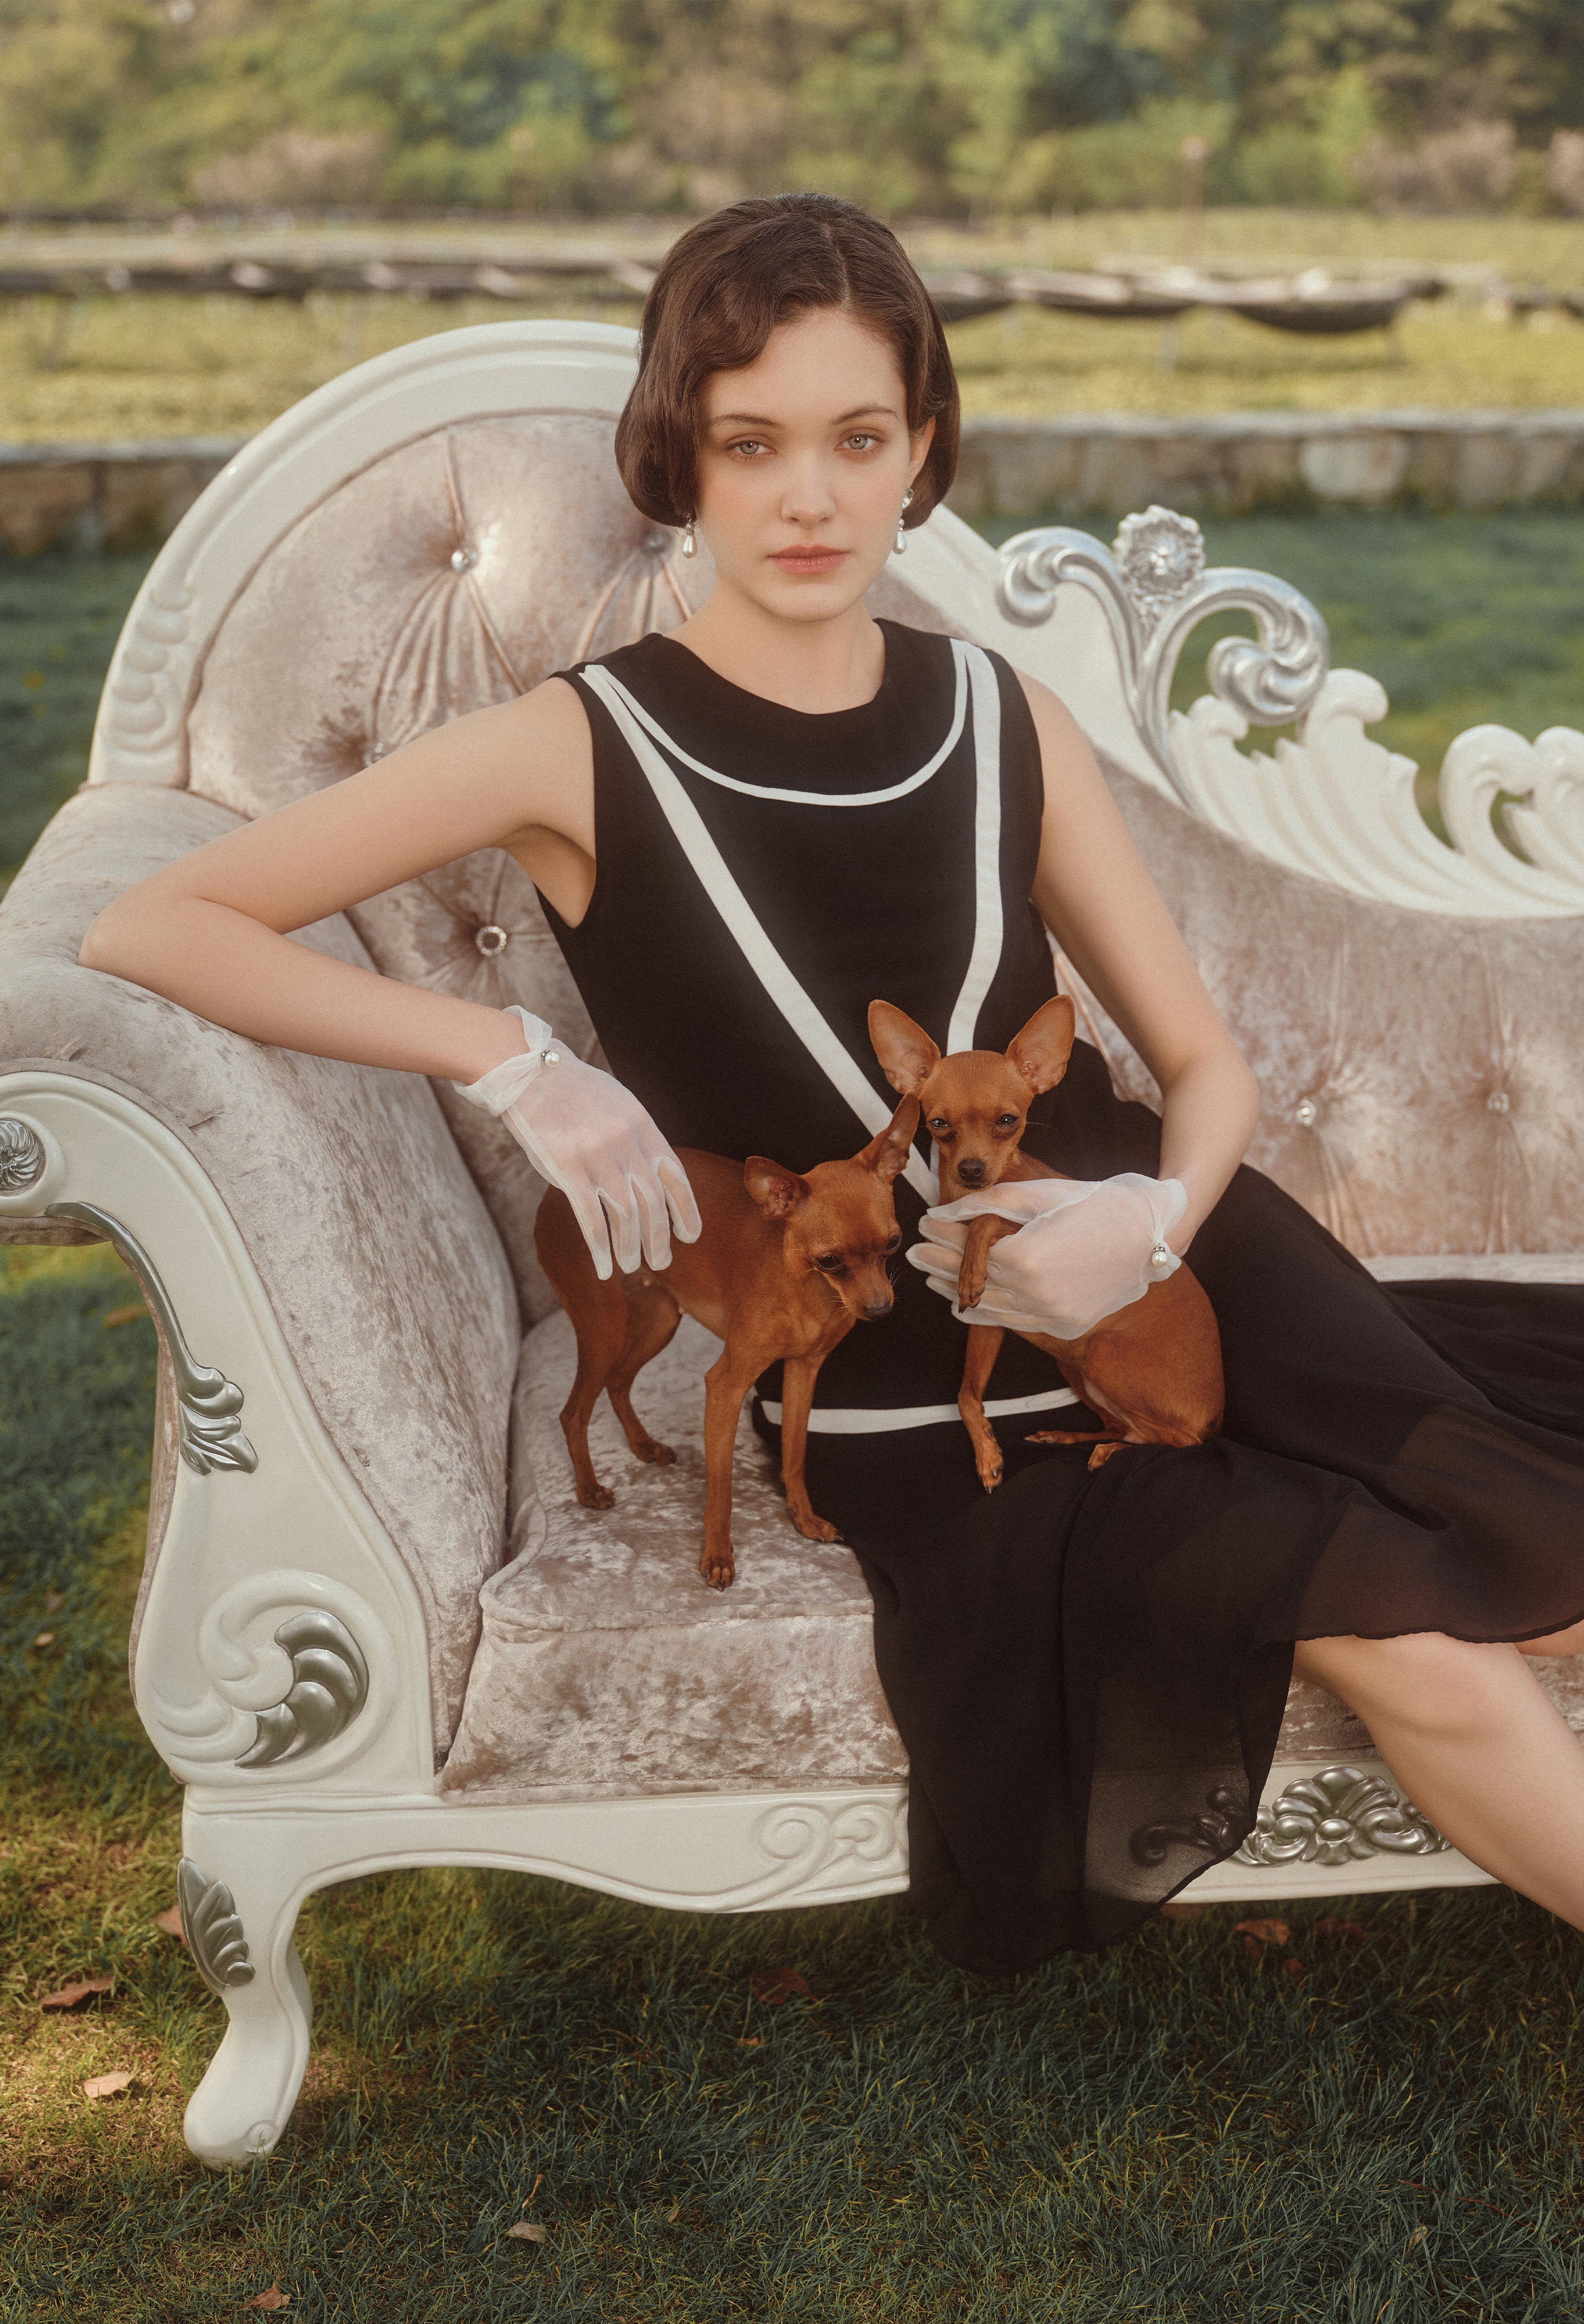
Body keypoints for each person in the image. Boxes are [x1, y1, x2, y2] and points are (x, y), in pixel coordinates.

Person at [80, 194, 1584, 1974]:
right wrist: (518, 1058)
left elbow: (1202, 1066)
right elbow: (159, 922)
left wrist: (1157, 1218)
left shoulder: (1002, 714)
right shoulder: (575, 740)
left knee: (1500, 1498)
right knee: (1413, 1632)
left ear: (921, 450)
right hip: (912, 1389)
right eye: (752, 443)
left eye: (857, 439)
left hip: (1174, 1259)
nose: (809, 496)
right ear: (681, 461)